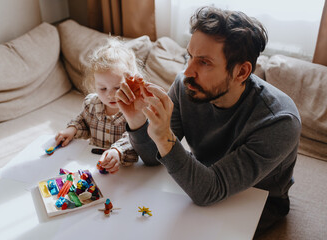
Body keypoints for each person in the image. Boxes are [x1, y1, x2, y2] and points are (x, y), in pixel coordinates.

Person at [116, 6, 301, 234]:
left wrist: (164, 137)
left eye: (204, 62)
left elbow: (208, 192)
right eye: (189, 56)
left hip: (257, 200)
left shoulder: (279, 121)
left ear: (241, 72)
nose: (187, 72)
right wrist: (136, 121)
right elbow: (153, 158)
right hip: (201, 181)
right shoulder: (187, 87)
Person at [55, 38, 139, 174]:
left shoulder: (135, 110)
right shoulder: (92, 104)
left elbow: (133, 138)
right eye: (102, 88)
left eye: (117, 87)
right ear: (94, 84)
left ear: (130, 83)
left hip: (125, 172)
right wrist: (72, 129)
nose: (110, 95)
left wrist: (117, 151)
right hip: (93, 166)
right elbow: (83, 120)